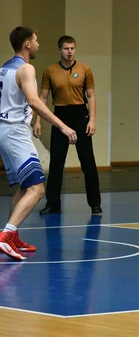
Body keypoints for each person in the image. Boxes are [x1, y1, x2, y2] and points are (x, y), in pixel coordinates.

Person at [0, 26, 77, 260]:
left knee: (24, 187)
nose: (38, 44)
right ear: (27, 44)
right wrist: (62, 125)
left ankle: (12, 236)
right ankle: (5, 236)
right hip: (14, 132)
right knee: (37, 188)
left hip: (5, 130)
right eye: (36, 40)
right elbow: (34, 101)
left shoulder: (4, 68)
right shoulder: (26, 68)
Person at [33, 35, 101, 215]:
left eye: (72, 48)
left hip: (80, 115)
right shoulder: (50, 71)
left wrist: (92, 120)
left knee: (88, 162)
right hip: (60, 116)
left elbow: (91, 96)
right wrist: (38, 120)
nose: (69, 52)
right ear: (59, 50)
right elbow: (42, 98)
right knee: (56, 162)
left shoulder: (85, 69)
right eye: (66, 49)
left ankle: (95, 203)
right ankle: (53, 203)